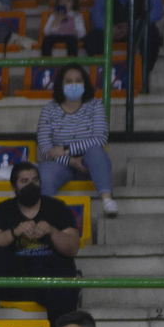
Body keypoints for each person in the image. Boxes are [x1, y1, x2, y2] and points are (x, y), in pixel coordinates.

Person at [0, 161, 82, 327]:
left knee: (64, 267)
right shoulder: (3, 209)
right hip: (15, 281)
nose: (31, 185)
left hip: (47, 279)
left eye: (35, 180)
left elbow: (73, 248)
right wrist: (15, 232)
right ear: (14, 187)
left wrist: (52, 231)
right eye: (24, 181)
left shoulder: (58, 208)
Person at [36, 63, 117, 215]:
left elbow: (100, 139)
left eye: (78, 81)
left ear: (85, 84)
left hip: (89, 162)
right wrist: (70, 160)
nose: (74, 85)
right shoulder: (49, 110)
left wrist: (66, 149)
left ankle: (107, 201)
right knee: (45, 170)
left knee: (96, 152)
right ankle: (47, 214)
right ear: (60, 85)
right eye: (68, 81)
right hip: (60, 164)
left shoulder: (95, 106)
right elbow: (46, 149)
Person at [88, 0, 164, 72]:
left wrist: (133, 26)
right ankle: (104, 74)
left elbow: (157, 10)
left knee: (152, 36)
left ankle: (142, 75)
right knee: (91, 41)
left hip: (138, 29)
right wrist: (109, 28)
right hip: (113, 29)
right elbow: (97, 11)